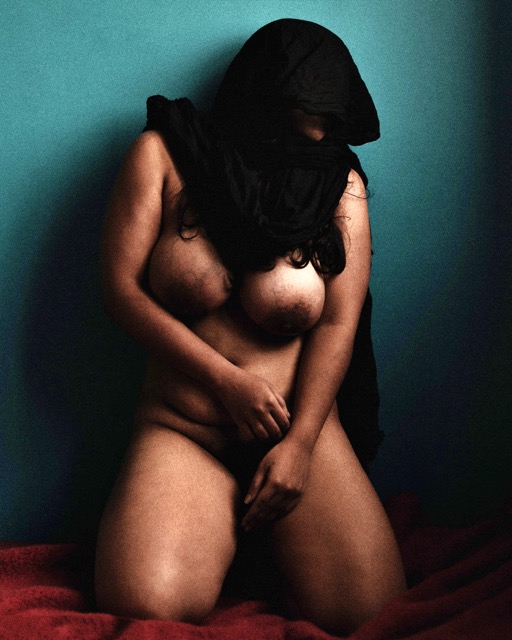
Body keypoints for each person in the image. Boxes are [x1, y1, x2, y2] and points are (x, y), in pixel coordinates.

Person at [94, 18, 406, 635]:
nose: (306, 151)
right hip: (185, 428)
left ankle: (268, 536)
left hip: (296, 433)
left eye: (322, 134)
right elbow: (120, 290)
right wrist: (226, 381)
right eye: (292, 127)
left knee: (369, 614)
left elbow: (338, 322)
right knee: (142, 607)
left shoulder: (339, 184)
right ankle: (217, 530)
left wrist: (301, 445)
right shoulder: (163, 155)